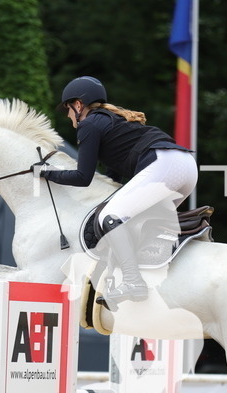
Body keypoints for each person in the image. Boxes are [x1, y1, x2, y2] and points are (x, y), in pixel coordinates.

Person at [36, 76, 197, 305]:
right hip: (186, 167)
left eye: (68, 110)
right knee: (137, 222)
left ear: (78, 105)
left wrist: (46, 173)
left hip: (165, 166)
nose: (69, 116)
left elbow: (83, 177)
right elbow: (113, 178)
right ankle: (155, 278)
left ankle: (132, 281)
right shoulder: (113, 121)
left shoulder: (89, 125)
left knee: (110, 217)